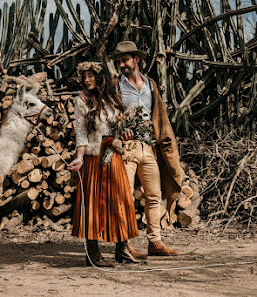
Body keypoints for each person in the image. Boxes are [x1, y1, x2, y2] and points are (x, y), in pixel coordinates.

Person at [67, 61, 146, 267]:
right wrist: (79, 157)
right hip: (94, 156)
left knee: (121, 199)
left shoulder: (112, 98)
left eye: (90, 75)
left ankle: (123, 249)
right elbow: (81, 133)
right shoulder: (82, 100)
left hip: (114, 152)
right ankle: (92, 253)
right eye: (84, 76)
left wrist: (126, 134)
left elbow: (121, 124)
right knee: (93, 202)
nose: (86, 80)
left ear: (100, 76)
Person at [110, 41, 183, 256]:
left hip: (148, 147)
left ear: (136, 60)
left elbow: (158, 116)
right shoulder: (115, 86)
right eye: (119, 61)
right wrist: (119, 130)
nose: (122, 64)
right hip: (126, 148)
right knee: (124, 196)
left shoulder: (150, 85)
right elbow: (109, 114)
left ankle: (155, 242)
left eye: (125, 60)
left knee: (154, 196)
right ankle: (124, 244)